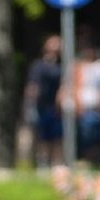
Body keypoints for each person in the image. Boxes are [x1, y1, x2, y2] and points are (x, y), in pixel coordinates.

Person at [25, 35, 65, 168]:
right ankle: (43, 163)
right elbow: (32, 86)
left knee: (58, 135)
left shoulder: (62, 66)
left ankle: (57, 163)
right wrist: (30, 104)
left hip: (57, 107)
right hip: (42, 106)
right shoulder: (38, 66)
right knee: (43, 136)